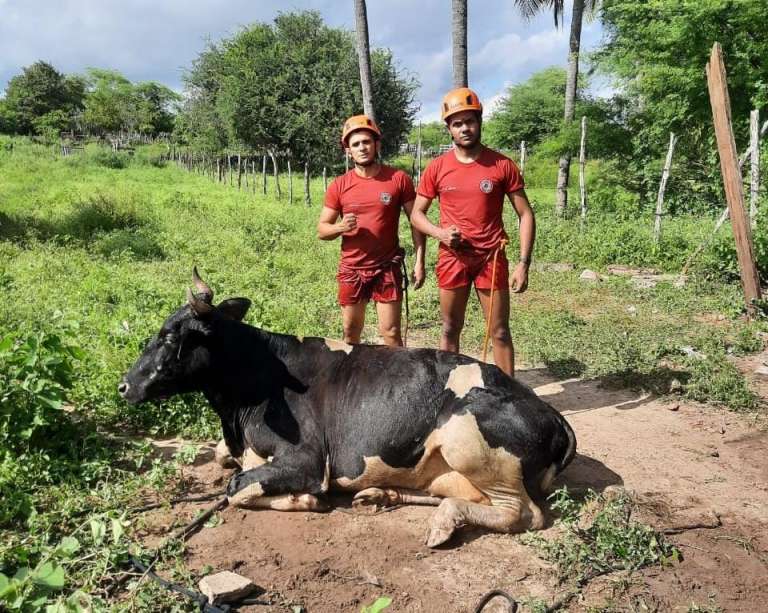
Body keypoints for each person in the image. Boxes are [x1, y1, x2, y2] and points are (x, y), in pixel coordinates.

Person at [410, 88, 535, 377]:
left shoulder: (502, 165)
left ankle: (510, 392)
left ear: (479, 121)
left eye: (470, 121)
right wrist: (439, 233)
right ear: (449, 129)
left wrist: (523, 263)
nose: (465, 128)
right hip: (453, 259)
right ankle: (446, 389)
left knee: (500, 331)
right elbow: (417, 213)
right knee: (450, 328)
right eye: (457, 123)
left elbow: (525, 214)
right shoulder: (437, 168)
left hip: (491, 259)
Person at [317, 114, 425, 346]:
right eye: (355, 144)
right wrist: (340, 227)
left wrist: (419, 260)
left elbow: (416, 220)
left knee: (391, 332)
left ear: (377, 144)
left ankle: (395, 381)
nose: (362, 148)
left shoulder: (398, 179)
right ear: (348, 151)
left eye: (366, 142)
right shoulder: (339, 185)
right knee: (350, 331)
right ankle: (352, 380)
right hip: (352, 269)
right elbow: (322, 230)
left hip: (386, 268)